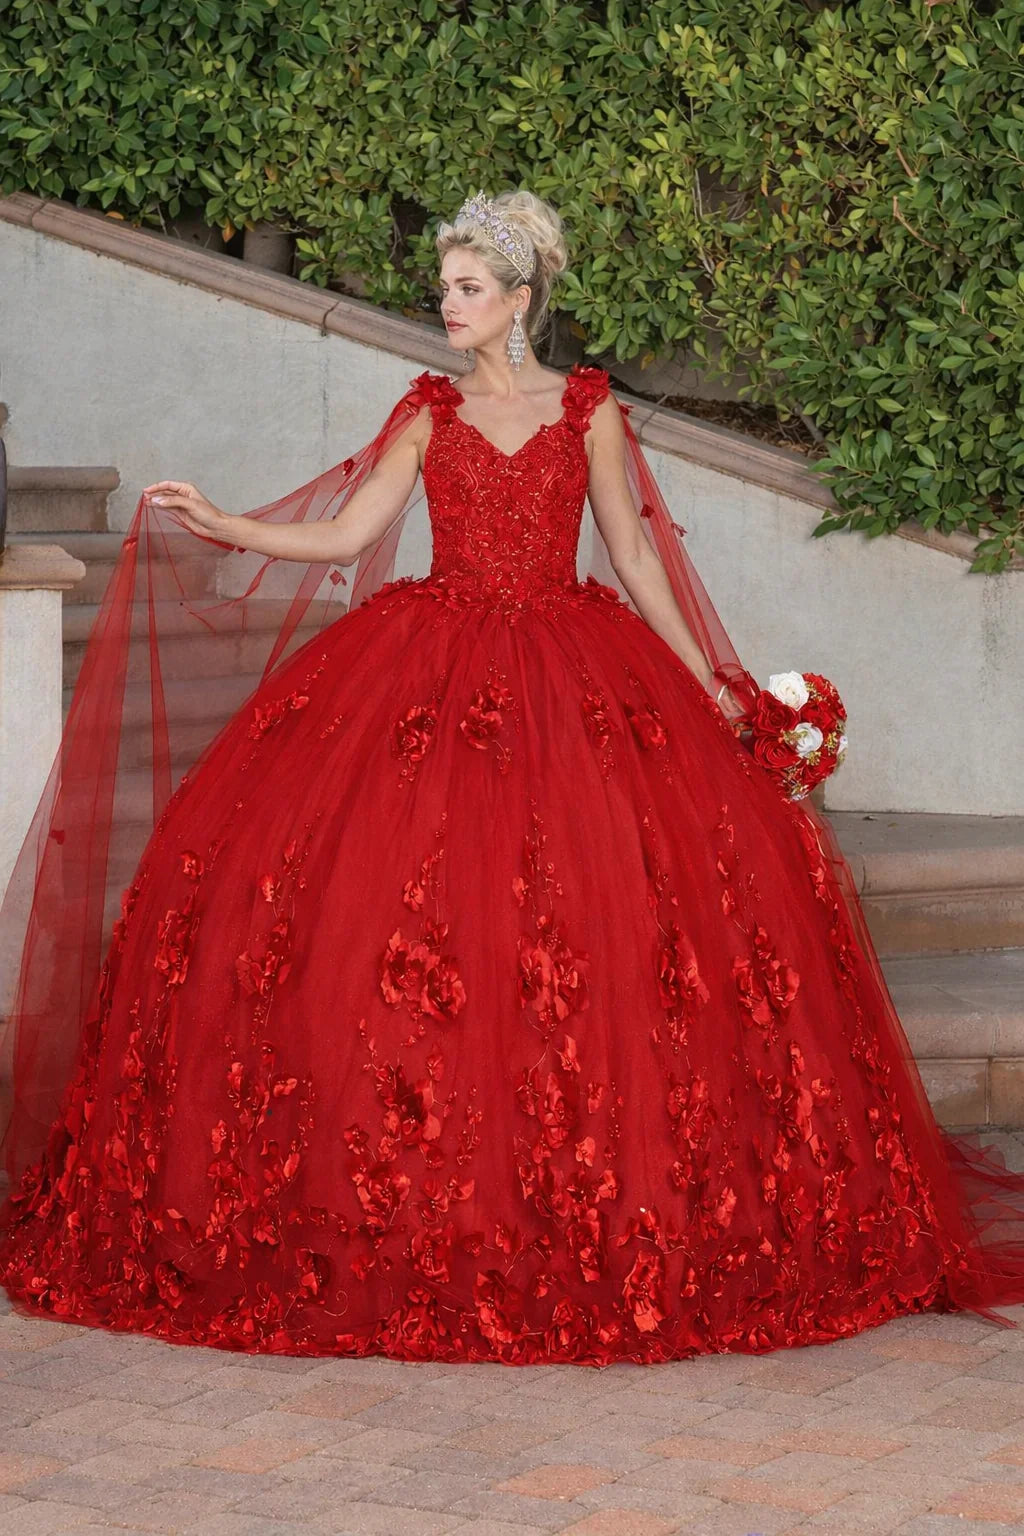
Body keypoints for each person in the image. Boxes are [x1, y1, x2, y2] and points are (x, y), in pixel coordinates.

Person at [2, 187, 1024, 1366]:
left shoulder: (587, 412)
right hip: (423, 670)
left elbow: (635, 557)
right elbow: (348, 535)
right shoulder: (426, 410)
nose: (446, 305)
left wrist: (712, 690)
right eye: (442, 287)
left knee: (585, 928)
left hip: (571, 672)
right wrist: (227, 522)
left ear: (521, 299)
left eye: (467, 288)